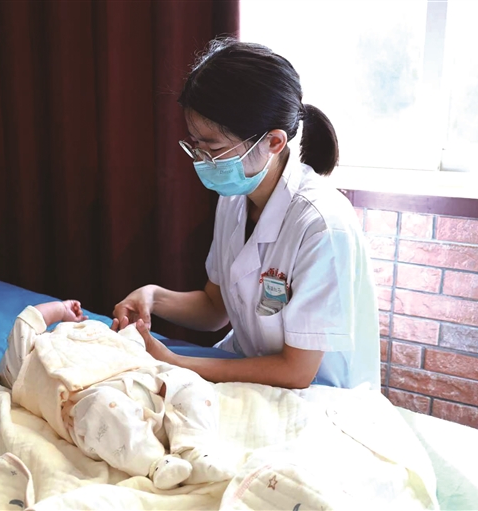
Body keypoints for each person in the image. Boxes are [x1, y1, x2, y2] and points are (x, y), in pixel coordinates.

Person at [113, 39, 379, 391]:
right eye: (195, 143)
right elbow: (214, 308)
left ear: (273, 142)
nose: (201, 159)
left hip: (319, 393)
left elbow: (296, 372)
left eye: (213, 147)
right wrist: (152, 296)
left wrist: (176, 363)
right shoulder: (236, 197)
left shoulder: (321, 226)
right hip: (252, 369)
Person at [0, 300, 234, 490]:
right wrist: (60, 308)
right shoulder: (32, 356)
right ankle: (156, 463)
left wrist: (123, 338)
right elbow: (27, 321)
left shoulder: (95, 334)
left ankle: (195, 448)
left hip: (150, 388)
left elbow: (133, 350)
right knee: (100, 407)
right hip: (111, 417)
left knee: (189, 382)